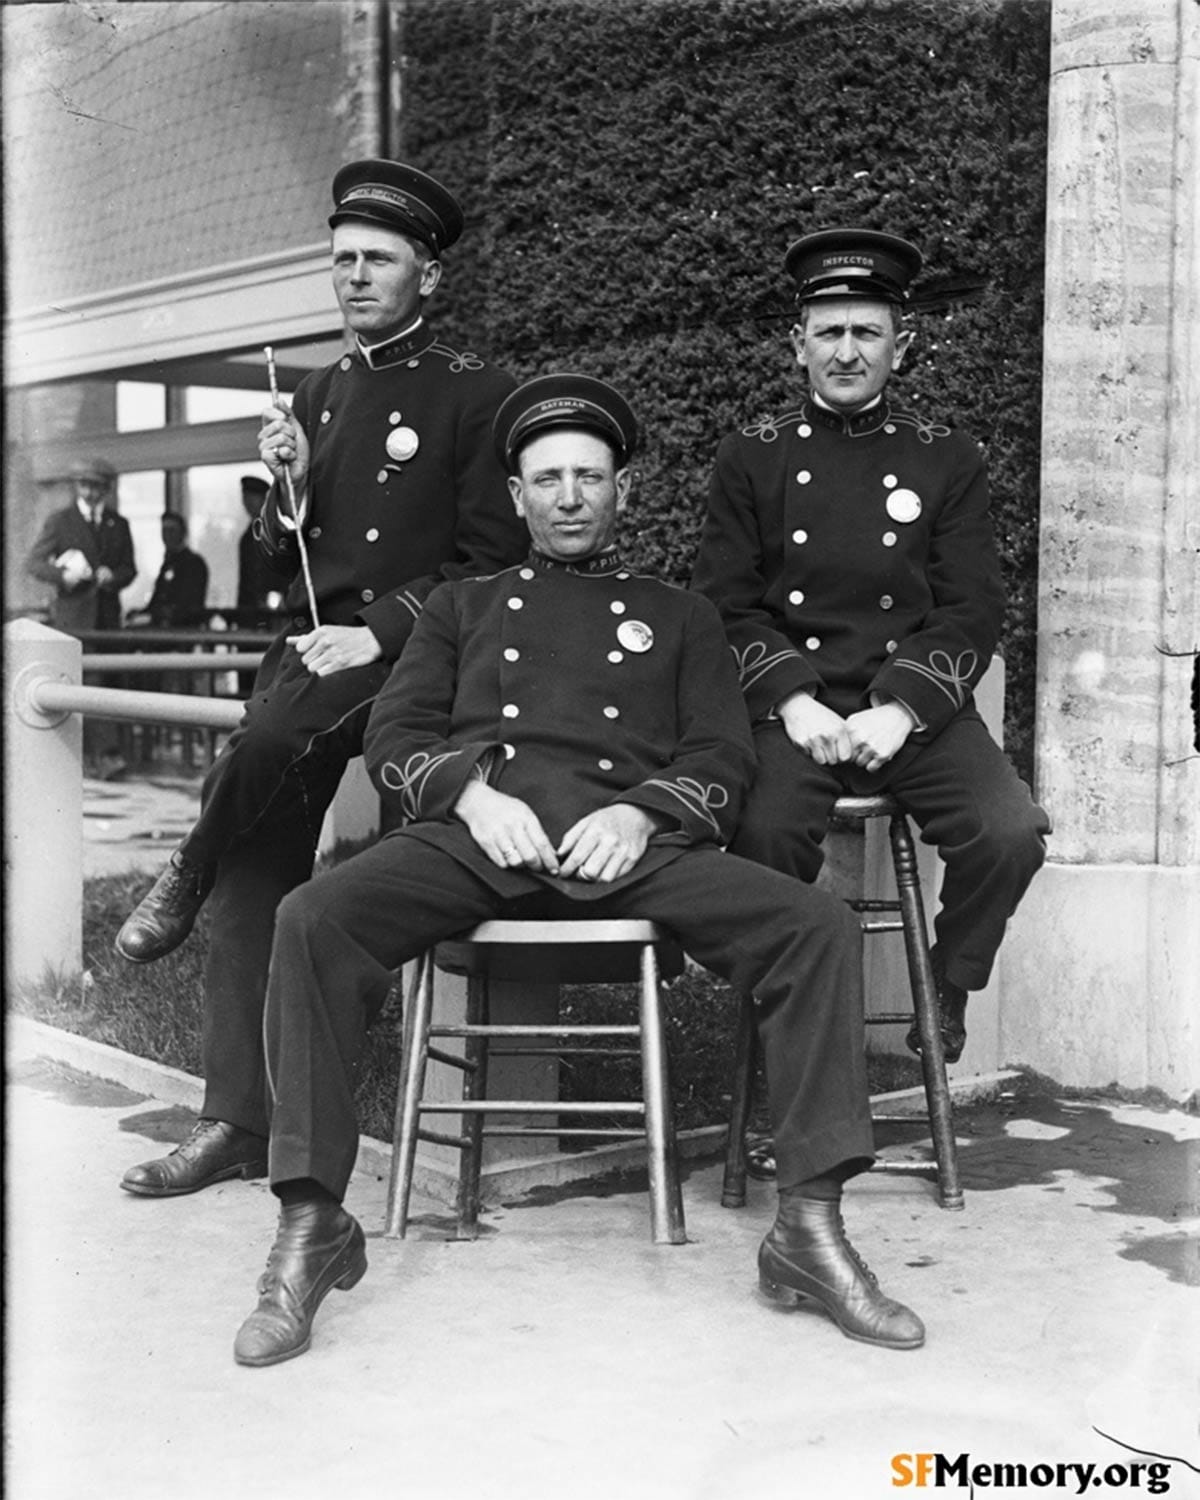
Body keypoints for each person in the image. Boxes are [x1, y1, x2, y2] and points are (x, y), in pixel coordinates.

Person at [231, 374, 926, 1368]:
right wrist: (471, 795)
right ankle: (310, 1225)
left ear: (622, 493)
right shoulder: (460, 607)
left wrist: (645, 816)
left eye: (588, 478)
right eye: (547, 478)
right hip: (478, 839)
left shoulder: (680, 615)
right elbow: (396, 733)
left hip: (629, 848)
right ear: (514, 496)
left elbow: (722, 757)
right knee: (312, 918)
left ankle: (808, 1230)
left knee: (811, 926)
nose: (568, 496)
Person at [114, 158, 527, 1198]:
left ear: (428, 277)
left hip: (417, 666)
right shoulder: (319, 389)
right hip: (312, 657)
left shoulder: (479, 397)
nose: (353, 276)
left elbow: (488, 565)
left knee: (259, 753)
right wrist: (285, 493)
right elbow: (285, 561)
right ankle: (233, 1122)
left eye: (378, 260)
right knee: (262, 876)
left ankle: (185, 865)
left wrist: (381, 634)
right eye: (341, 259)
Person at [692, 228, 1049, 1070]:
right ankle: (780, 1024)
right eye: (829, 332)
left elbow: (971, 606)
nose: (846, 352)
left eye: (866, 332)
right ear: (797, 344)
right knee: (765, 838)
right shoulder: (753, 457)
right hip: (799, 710)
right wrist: (790, 699)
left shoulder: (945, 457)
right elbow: (724, 605)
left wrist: (904, 706)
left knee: (1009, 833)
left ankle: (947, 983)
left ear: (901, 344)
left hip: (911, 710)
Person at [26, 456, 137, 778]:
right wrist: (63, 576)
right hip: (75, 620)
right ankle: (106, 756)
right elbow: (33, 563)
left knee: (108, 683)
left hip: (107, 620)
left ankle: (99, 757)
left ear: (106, 489)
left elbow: (130, 569)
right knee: (89, 682)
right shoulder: (60, 521)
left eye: (97, 487)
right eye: (85, 486)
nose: (90, 493)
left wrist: (112, 577)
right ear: (77, 486)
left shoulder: (120, 524)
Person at [134, 512, 210, 628]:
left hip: (183, 629)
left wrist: (164, 613)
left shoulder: (194, 563)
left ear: (183, 533)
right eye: (164, 530)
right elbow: (158, 598)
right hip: (161, 626)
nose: (167, 535)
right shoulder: (168, 564)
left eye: (172, 530)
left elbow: (190, 603)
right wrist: (143, 613)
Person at [235, 474, 277, 625]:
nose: (248, 503)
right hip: (249, 608)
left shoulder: (276, 531)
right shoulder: (247, 537)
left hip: (273, 609)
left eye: (252, 497)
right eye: (245, 498)